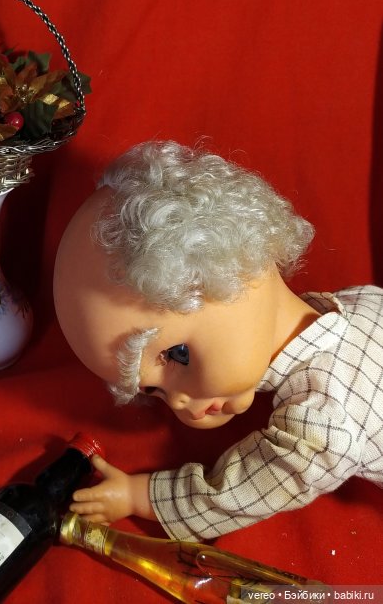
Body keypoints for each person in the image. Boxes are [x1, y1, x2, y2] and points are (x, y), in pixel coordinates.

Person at [53, 140, 383, 541]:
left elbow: (239, 493)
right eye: (152, 390)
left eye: (178, 354)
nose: (177, 401)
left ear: (235, 266)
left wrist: (139, 496)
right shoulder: (362, 299)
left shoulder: (322, 422)